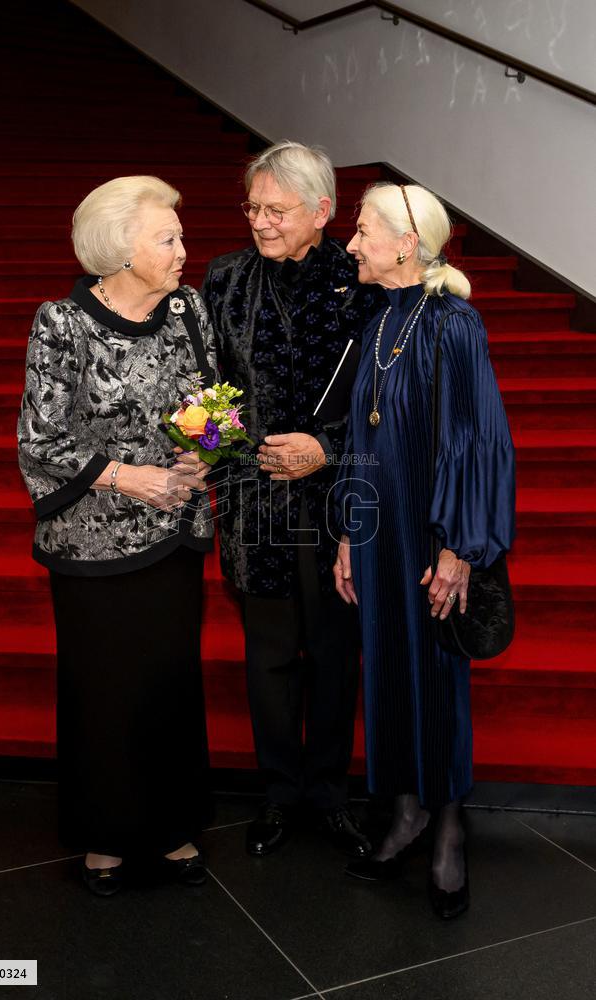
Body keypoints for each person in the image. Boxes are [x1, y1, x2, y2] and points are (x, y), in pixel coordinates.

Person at [18, 175, 216, 895]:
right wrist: (128, 476)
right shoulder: (61, 324)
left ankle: (171, 830)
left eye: (180, 237)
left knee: (168, 683)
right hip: (92, 542)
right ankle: (105, 838)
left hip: (175, 533)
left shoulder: (189, 309)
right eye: (167, 239)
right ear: (120, 247)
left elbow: (213, 402)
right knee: (105, 689)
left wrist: (208, 448)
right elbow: (40, 441)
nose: (183, 252)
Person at [333, 181, 515, 918]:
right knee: (389, 672)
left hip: (435, 540)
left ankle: (447, 831)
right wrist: (349, 530)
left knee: (436, 679)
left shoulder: (454, 323)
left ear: (406, 243)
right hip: (380, 536)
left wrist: (462, 548)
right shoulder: (378, 325)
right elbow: (361, 440)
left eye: (364, 231)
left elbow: (480, 443)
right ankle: (404, 811)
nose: (352, 244)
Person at [202, 141, 376, 859]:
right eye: (253, 207)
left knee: (335, 653)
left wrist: (325, 450)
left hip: (341, 504)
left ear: (322, 211)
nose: (261, 222)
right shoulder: (224, 280)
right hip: (255, 506)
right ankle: (279, 793)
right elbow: (199, 393)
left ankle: (330, 794)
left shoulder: (361, 280)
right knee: (269, 654)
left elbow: (384, 401)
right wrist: (236, 455)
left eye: (277, 210)